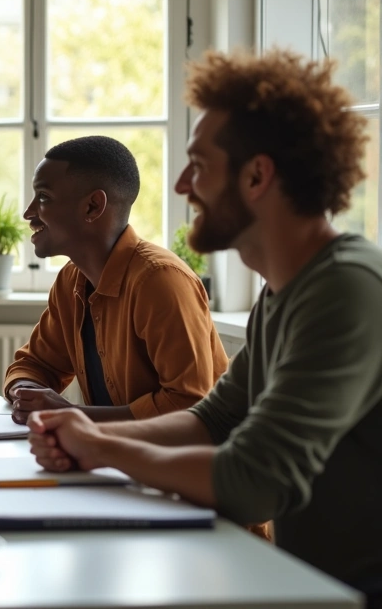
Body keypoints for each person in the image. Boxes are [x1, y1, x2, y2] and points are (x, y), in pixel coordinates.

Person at [27, 50, 382, 605]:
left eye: (198, 164)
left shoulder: (345, 289)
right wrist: (86, 436)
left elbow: (254, 482)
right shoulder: (282, 293)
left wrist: (102, 448)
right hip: (304, 584)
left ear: (257, 176)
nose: (181, 185)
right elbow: (212, 420)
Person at [4, 136, 227, 424]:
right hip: (120, 448)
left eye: (44, 197)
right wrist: (27, 392)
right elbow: (35, 364)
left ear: (92, 206)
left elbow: (189, 403)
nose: (28, 213)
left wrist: (73, 415)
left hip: (195, 451)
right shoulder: (71, 280)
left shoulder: (160, 281)